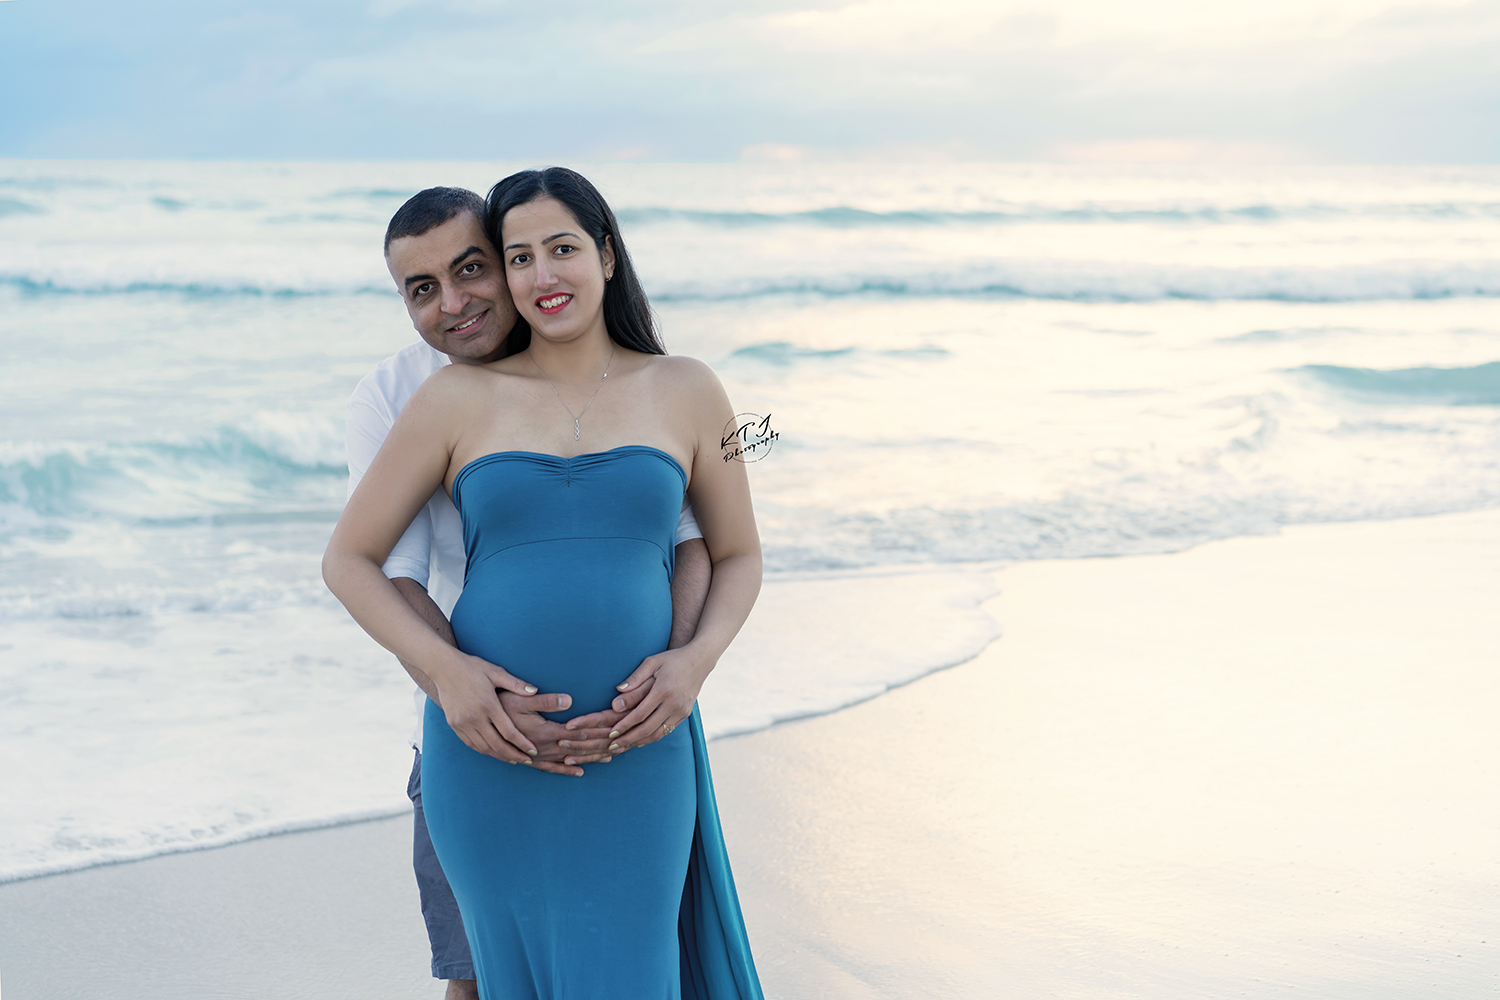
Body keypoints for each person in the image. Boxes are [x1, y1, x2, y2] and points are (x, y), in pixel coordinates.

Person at [325, 168, 763, 999]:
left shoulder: (693, 389)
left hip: (640, 742)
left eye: (559, 250)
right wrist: (456, 683)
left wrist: (694, 663)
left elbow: (732, 550)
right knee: (488, 980)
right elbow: (355, 561)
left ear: (605, 252)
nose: (538, 276)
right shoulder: (440, 395)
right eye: (520, 256)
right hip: (486, 747)